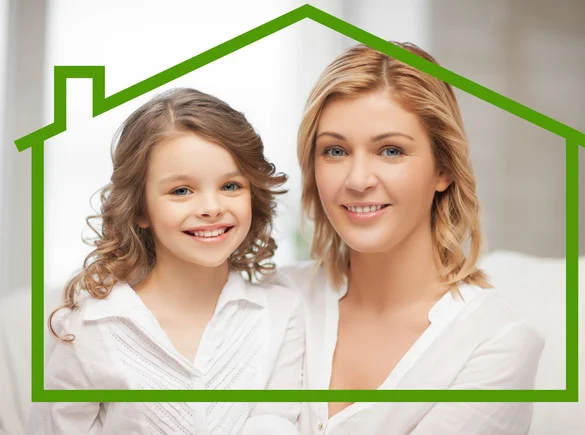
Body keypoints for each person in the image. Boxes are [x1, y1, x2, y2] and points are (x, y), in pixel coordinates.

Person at [274, 42, 544, 435]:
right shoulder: (275, 298)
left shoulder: (495, 342)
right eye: (335, 150)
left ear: (443, 169)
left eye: (390, 150)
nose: (358, 180)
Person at [28, 88, 304, 435]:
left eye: (231, 185)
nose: (211, 207)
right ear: (140, 209)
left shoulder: (282, 314)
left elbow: (274, 423)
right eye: (181, 191)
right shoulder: (90, 326)